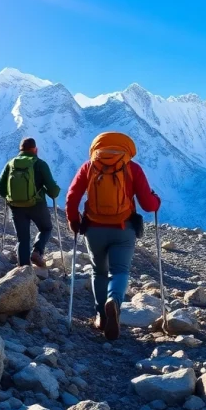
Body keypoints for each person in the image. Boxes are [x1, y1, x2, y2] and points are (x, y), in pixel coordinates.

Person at [65, 131, 160, 341]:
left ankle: (101, 315)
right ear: (127, 148)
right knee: (120, 271)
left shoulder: (88, 167)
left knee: (99, 271)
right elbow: (147, 203)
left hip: (94, 229)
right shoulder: (132, 168)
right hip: (123, 229)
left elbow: (72, 196)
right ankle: (114, 301)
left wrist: (74, 221)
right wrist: (156, 202)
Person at [0, 137, 61, 268]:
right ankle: (37, 251)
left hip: (16, 207)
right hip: (37, 205)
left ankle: (24, 271)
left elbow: (0, 187)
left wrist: (11, 198)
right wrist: (52, 191)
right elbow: (53, 191)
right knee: (46, 228)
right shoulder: (40, 164)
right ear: (35, 149)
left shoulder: (11, 163)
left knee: (22, 239)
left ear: (20, 150)